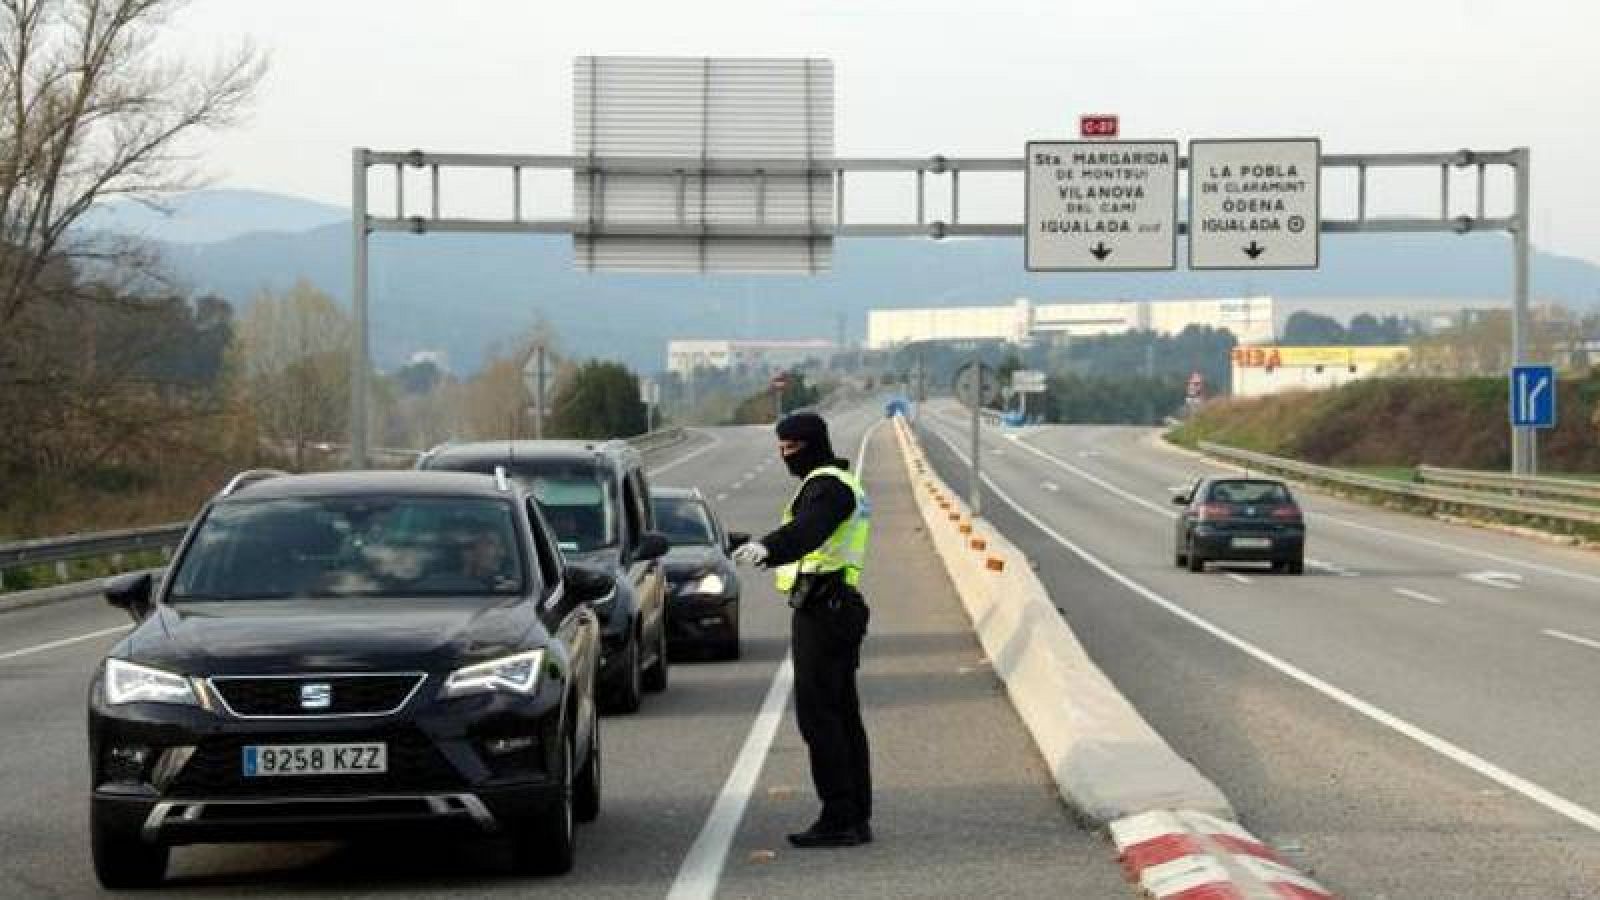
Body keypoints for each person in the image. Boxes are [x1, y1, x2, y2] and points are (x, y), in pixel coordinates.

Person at [732, 411, 873, 848]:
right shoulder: (833, 483)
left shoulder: (828, 487)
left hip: (825, 609)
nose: (784, 457)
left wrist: (766, 549)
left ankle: (839, 818)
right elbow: (805, 531)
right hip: (832, 606)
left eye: (789, 449)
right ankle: (854, 815)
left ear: (810, 444)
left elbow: (808, 532)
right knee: (842, 715)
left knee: (821, 718)